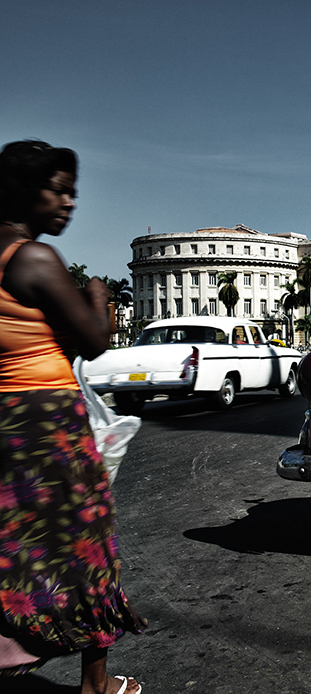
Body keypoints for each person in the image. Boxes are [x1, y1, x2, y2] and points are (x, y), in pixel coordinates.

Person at [0, 141, 145, 693]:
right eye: (57, 190)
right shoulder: (34, 259)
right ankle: (97, 683)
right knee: (89, 547)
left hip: (8, 420)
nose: (69, 203)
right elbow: (94, 341)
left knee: (18, 544)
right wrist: (99, 296)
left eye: (72, 192)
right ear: (22, 192)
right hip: (48, 422)